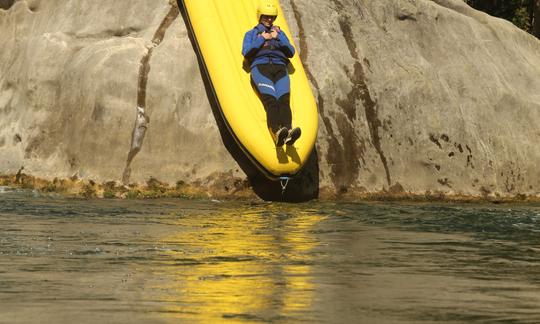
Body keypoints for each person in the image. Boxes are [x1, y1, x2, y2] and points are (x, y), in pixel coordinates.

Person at [242, 0, 301, 147]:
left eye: (271, 17)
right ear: (260, 17)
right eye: (266, 16)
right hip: (261, 69)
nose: (269, 19)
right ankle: (276, 133)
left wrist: (278, 37)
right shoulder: (251, 33)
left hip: (280, 69)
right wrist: (263, 38)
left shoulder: (280, 33)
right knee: (272, 102)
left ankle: (288, 132)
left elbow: (291, 52)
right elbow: (246, 52)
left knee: (284, 101)